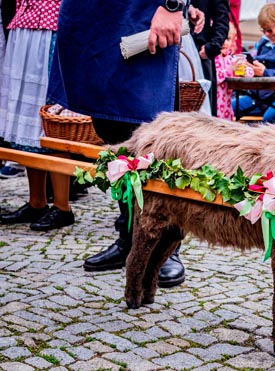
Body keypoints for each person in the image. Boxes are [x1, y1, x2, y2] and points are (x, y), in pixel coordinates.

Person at [47, 0, 204, 287]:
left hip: (142, 13)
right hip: (97, 20)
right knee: (111, 127)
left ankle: (163, 243)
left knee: (150, 134)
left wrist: (173, 5)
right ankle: (130, 235)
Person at [0, 0, 76, 231]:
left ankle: (62, 206)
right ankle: (37, 201)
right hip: (25, 24)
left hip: (53, 26)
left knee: (53, 116)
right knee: (29, 119)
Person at [191, 0, 230, 116]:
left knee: (202, 114)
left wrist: (212, 47)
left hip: (199, 52)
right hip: (166, 50)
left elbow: (222, 17)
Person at [214, 22, 254, 120]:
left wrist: (244, 70)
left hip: (227, 107)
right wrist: (229, 70)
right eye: (221, 38)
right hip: (214, 106)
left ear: (232, 40)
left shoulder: (230, 59)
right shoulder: (212, 58)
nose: (224, 42)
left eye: (227, 39)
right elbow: (215, 77)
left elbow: (250, 73)